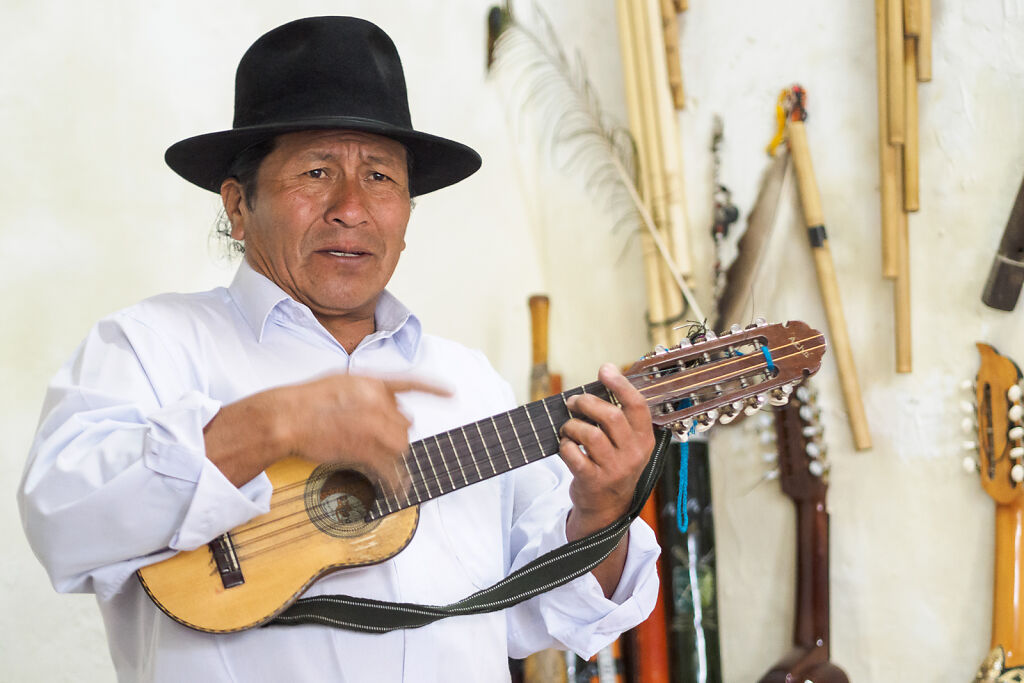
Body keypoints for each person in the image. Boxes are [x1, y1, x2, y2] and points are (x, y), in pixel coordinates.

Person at [19, 16, 660, 682]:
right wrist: (276, 424)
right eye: (317, 172)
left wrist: (602, 511)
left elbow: (559, 615)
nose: (352, 207)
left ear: (408, 211)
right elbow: (62, 516)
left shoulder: (469, 382)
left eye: (381, 177)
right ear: (238, 207)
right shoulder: (149, 345)